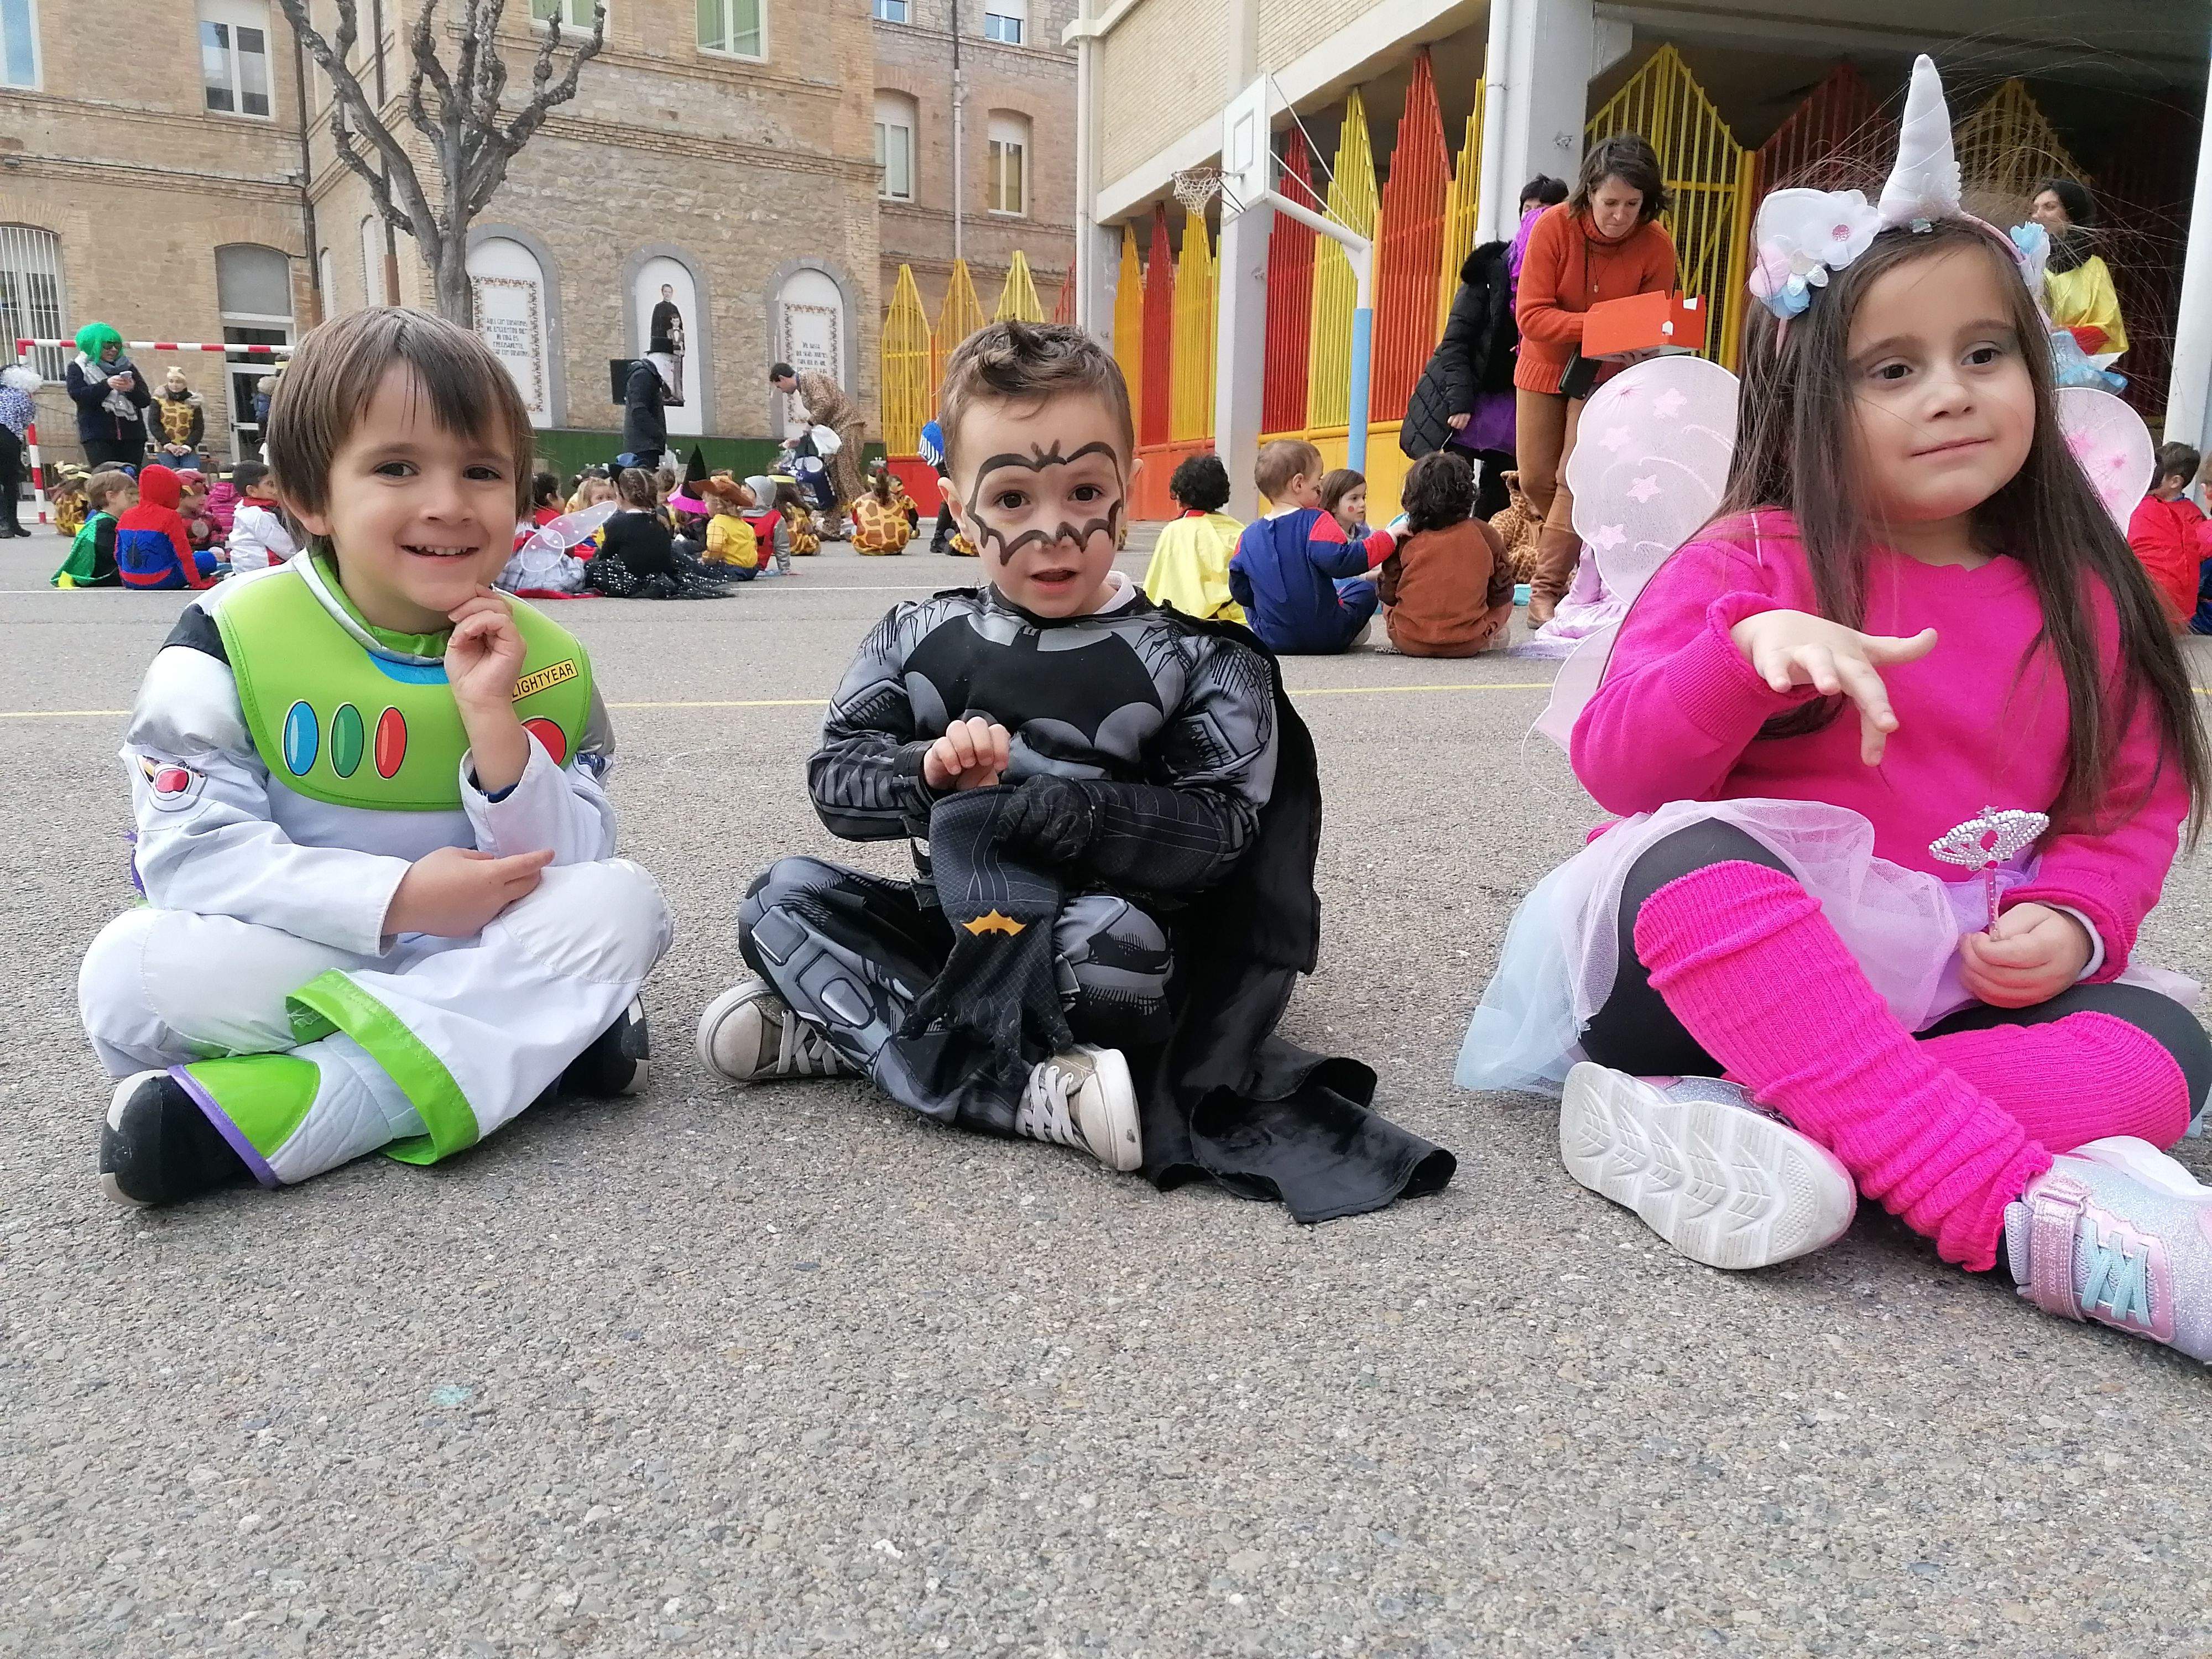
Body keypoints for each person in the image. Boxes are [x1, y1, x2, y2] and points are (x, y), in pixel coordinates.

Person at [1462, 58, 2212, 1364]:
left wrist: (2078, 911)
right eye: (1891, 369)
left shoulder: (2081, 592)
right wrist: (1746, 653)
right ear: (1813, 394)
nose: (1948, 391)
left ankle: (1748, 1125)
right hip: (1704, 976)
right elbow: (1620, 766)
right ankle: (2013, 1208)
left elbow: (2129, 800)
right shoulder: (1753, 555)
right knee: (1692, 865)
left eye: (1983, 353)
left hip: (1949, 987)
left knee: (2168, 1047)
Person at [695, 320, 1451, 1219]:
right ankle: (1025, 1096)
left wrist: (1057, 802)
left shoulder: (1205, 661)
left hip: (1096, 950)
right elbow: (837, 780)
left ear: (1125, 490)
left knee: (1113, 956)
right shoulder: (913, 633)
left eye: (1082, 490)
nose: (1051, 529)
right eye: (1012, 498)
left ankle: (856, 1029)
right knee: (777, 902)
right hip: (954, 931)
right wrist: (927, 775)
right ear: (957, 500)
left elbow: (1221, 838)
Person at [77, 306, 672, 1208]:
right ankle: (539, 1040)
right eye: (397, 468)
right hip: (311, 955)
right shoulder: (227, 638)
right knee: (126, 978)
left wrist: (494, 723)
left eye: (481, 471)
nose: (447, 503)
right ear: (311, 497)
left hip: (487, 937)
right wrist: (398, 902)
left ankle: (291, 1108)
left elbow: (574, 861)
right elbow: (191, 857)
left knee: (625, 904)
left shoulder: (547, 657)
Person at [1515, 135, 1678, 627]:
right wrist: (1602, 326)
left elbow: (1656, 319)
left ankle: (1546, 592)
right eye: (1610, 203)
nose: (1620, 215)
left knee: (1573, 478)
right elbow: (1531, 316)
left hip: (1611, 377)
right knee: (1536, 480)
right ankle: (1589, 560)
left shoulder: (1657, 243)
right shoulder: (1552, 228)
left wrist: (1641, 336)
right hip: (1546, 365)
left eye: (1633, 205)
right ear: (1588, 193)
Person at [1402, 227, 1525, 522]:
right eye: (1531, 210)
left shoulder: (1551, 275)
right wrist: (1460, 401)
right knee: (1447, 488)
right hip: (1468, 401)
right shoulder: (1485, 277)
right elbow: (1455, 343)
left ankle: (1486, 554)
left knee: (1501, 493)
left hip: (1513, 406)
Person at [1228, 439, 1396, 655]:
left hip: (1273, 640)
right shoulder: (1317, 520)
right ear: (1299, 484)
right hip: (1328, 636)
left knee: (1252, 598)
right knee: (1364, 591)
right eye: (1318, 480)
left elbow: (1240, 591)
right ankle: (1347, 628)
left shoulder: (1247, 536)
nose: (1322, 487)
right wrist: (1389, 538)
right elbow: (1343, 562)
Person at [1376, 450, 1514, 656]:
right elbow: (1501, 591)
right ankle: (1491, 635)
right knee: (1506, 601)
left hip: (1408, 640)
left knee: (1390, 602)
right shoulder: (1485, 533)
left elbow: (1388, 592)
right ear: (1468, 492)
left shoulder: (1405, 535)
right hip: (1468, 643)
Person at [2028, 178, 2128, 358]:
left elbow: (2108, 328)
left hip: (2075, 371)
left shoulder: (2094, 268)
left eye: (2049, 207)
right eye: (2034, 210)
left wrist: (2062, 338)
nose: (2037, 215)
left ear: (2071, 214)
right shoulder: (2024, 260)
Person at [1140, 452, 1244, 622]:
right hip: (1233, 622)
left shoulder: (1174, 531)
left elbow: (1155, 590)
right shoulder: (1237, 528)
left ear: (1180, 496)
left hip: (1183, 623)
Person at [2125, 442, 2208, 627]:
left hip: (2172, 604)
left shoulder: (2191, 516)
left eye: (2156, 476)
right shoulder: (2147, 505)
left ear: (2175, 482)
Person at [768, 361, 865, 520]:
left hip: (847, 428)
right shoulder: (804, 385)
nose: (783, 392)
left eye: (779, 387)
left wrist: (809, 424)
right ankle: (832, 525)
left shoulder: (808, 378)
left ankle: (868, 520)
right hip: (834, 434)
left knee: (848, 478)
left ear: (782, 378)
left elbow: (824, 402)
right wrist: (801, 440)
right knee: (832, 480)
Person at [114, 463, 216, 590]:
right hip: (163, 579)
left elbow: (118, 553)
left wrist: (126, 579)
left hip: (130, 580)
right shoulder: (170, 516)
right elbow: (184, 555)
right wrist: (197, 584)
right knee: (207, 558)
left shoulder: (127, 515)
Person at [66, 324, 152, 471]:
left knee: (132, 480)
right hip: (98, 436)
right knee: (105, 480)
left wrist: (131, 389)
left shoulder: (127, 366)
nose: (113, 350)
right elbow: (78, 395)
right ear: (93, 345)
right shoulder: (78, 367)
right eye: (107, 345)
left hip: (132, 436)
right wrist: (106, 385)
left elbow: (145, 400)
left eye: (117, 346)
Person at [50, 468, 132, 587]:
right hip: (104, 574)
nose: (136, 498)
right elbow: (111, 559)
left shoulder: (106, 520)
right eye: (130, 493)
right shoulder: (105, 525)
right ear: (111, 496)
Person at [225, 460, 298, 573]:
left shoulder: (247, 508)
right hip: (263, 572)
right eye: (271, 485)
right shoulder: (259, 515)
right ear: (252, 491)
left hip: (247, 571)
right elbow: (288, 551)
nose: (278, 489)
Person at [699, 475, 762, 578]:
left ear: (717, 505)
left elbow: (716, 547)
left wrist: (705, 559)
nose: (705, 505)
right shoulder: (744, 524)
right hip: (751, 570)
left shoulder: (717, 522)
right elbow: (754, 546)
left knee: (695, 565)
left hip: (731, 569)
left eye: (706, 502)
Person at [148, 367, 206, 471]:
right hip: (165, 447)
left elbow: (198, 427)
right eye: (171, 381)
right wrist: (167, 444)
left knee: (190, 476)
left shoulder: (193, 401)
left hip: (188, 448)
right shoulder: (158, 399)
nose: (174, 385)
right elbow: (154, 423)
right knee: (170, 476)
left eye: (178, 382)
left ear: (184, 384)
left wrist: (187, 446)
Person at [620, 358, 668, 475]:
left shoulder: (643, 375)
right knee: (645, 485)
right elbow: (639, 411)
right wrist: (658, 435)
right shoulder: (643, 376)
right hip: (645, 447)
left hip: (644, 445)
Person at [851, 462, 911, 555]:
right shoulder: (899, 500)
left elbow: (856, 521)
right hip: (896, 546)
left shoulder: (861, 501)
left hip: (868, 546)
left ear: (869, 482)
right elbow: (907, 518)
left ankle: (872, 545)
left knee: (853, 530)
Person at [647, 283, 685, 404]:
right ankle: (666, 394)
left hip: (675, 348)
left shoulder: (675, 309)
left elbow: (681, 330)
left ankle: (677, 394)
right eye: (666, 292)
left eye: (670, 292)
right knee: (665, 371)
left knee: (676, 372)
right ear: (663, 293)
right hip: (662, 345)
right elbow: (654, 328)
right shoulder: (658, 307)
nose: (668, 294)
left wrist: (682, 347)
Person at [179, 473, 220, 567]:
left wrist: (216, 548)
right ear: (180, 496)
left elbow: (217, 533)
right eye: (197, 496)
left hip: (209, 562)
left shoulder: (208, 518)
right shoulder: (169, 521)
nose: (203, 499)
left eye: (203, 495)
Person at [1318, 468, 1368, 539]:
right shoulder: (1326, 539)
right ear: (1333, 506)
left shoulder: (1365, 534)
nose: (1363, 504)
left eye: (1363, 497)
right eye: (1354, 498)